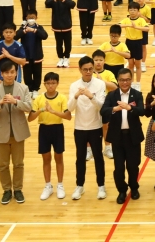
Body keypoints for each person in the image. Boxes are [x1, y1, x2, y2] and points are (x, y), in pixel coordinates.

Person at [0, 58, 33, 204]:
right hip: (1, 133)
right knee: (3, 165)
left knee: (19, 164)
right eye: (6, 72)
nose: (9, 75)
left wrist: (16, 102)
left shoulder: (23, 89)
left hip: (18, 132)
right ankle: (7, 190)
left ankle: (18, 189)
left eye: (12, 72)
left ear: (16, 73)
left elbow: (29, 107)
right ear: (1, 74)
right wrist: (0, 104)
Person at [102, 67, 144, 204]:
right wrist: (115, 108)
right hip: (117, 137)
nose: (125, 83)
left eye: (127, 80)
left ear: (131, 80)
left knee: (133, 165)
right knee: (119, 167)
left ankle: (134, 187)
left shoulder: (137, 94)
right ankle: (121, 190)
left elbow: (141, 111)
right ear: (118, 80)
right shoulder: (112, 95)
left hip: (133, 137)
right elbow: (103, 111)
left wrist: (130, 108)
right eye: (122, 80)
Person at [68, 55, 108, 200]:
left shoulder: (100, 84)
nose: (88, 72)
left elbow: (102, 107)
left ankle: (101, 186)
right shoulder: (74, 86)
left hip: (95, 126)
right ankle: (80, 186)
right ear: (80, 70)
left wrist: (91, 97)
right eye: (85, 69)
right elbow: (69, 108)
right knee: (80, 158)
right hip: (79, 127)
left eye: (91, 69)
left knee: (98, 157)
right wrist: (76, 96)